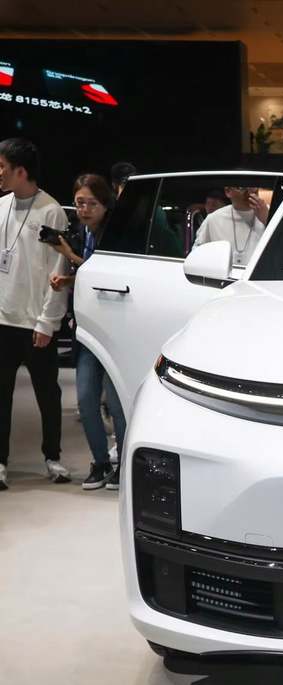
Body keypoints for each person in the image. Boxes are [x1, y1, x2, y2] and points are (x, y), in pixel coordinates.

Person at [0, 137, 72, 490]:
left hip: (36, 324)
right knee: (1, 396)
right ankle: (0, 461)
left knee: (47, 393)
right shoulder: (0, 206)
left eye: (2, 167)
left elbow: (59, 269)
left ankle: (52, 457)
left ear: (21, 171)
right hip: (2, 320)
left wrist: (48, 322)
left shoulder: (51, 211)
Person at [49, 174, 125, 491]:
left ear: (105, 205)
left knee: (116, 404)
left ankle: (123, 464)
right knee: (86, 399)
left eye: (91, 203)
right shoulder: (83, 233)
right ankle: (101, 462)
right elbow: (86, 276)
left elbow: (101, 274)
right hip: (85, 330)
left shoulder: (116, 236)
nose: (84, 209)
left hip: (114, 330)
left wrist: (68, 255)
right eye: (79, 203)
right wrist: (67, 280)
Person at [193, 185, 268, 267]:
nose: (250, 192)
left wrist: (267, 220)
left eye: (253, 186)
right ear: (228, 191)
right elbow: (196, 255)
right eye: (242, 187)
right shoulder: (213, 219)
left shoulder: (271, 214)